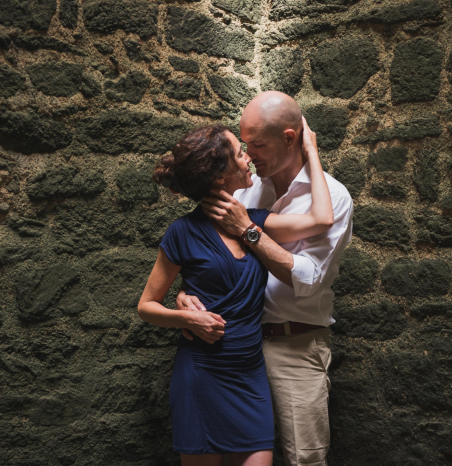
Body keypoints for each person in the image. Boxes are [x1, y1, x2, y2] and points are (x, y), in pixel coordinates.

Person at [136, 118, 333, 466]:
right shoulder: (182, 232)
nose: (249, 159)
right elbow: (146, 306)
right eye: (241, 153)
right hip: (201, 372)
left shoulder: (255, 221)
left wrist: (312, 152)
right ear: (218, 176)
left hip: (249, 372)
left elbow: (322, 219)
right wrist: (186, 316)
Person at [177, 91, 354, 466]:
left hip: (295, 345)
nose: (249, 154)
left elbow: (309, 280)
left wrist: (250, 232)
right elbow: (207, 251)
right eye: (245, 145)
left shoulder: (334, 197)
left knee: (302, 459)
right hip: (236, 348)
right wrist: (186, 294)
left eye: (257, 144)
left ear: (290, 138)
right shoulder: (247, 185)